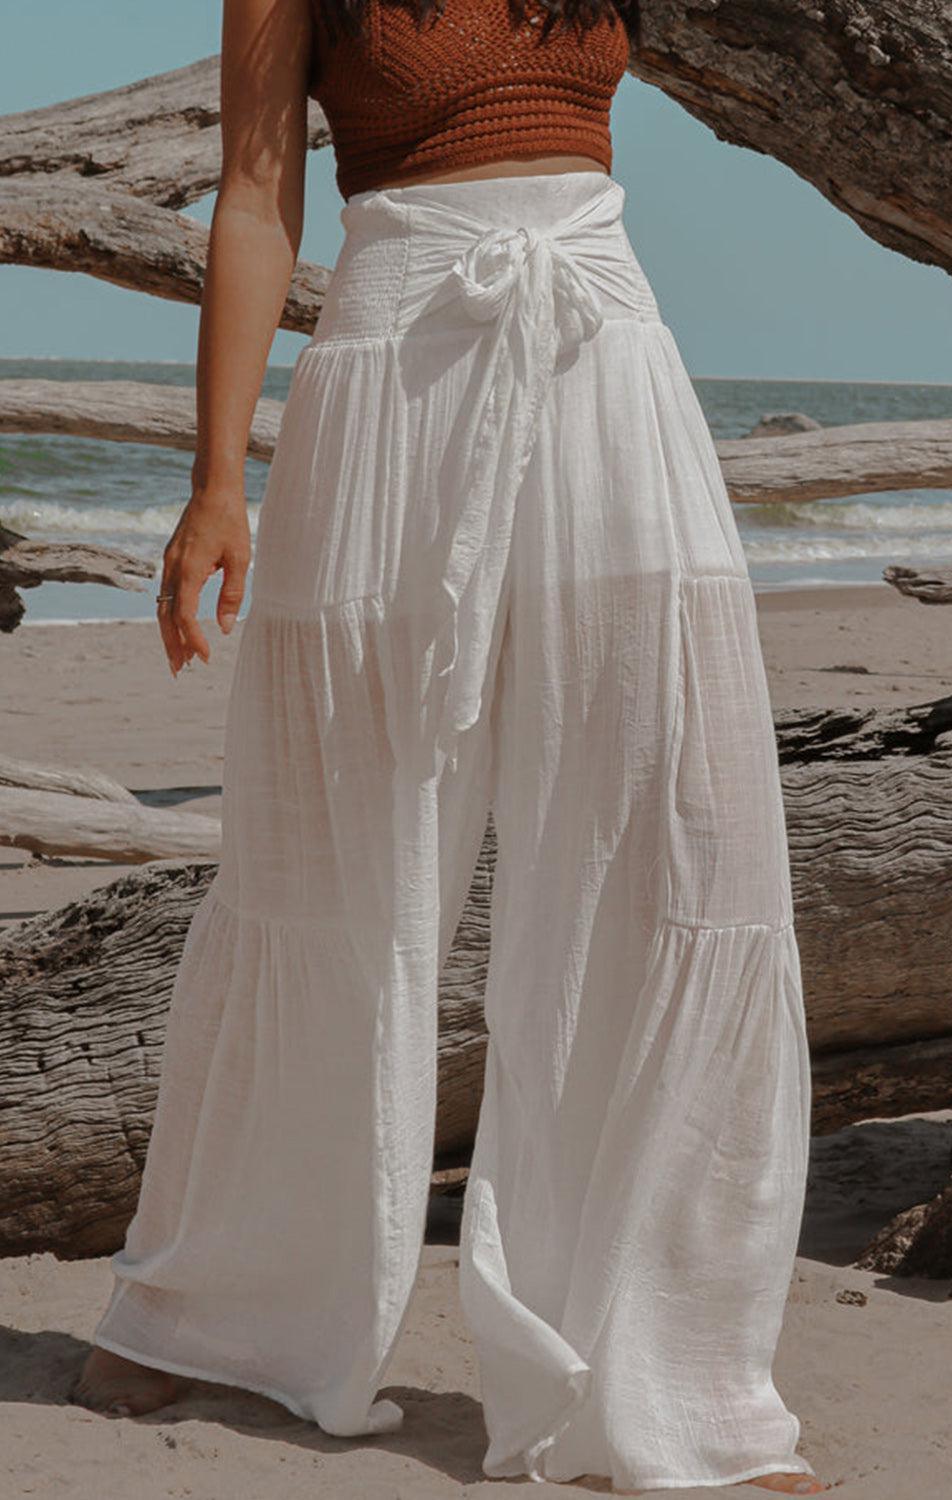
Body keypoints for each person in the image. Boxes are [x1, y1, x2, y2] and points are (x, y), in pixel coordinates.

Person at [70, 0, 828, 1491]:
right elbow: (254, 190)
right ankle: (211, 1312)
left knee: (683, 835)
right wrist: (217, 484)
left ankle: (670, 1371)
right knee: (328, 855)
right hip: (393, 371)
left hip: (603, 360)